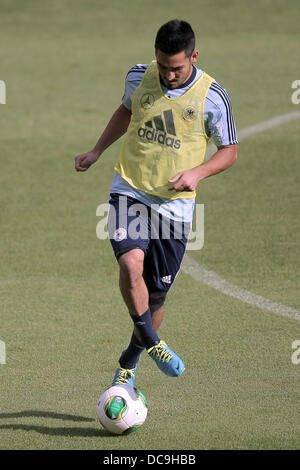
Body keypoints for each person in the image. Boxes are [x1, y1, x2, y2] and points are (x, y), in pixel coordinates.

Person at [75, 19, 238, 386]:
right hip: (130, 189)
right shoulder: (138, 76)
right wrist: (97, 151)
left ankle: (128, 364)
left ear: (194, 56)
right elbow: (126, 110)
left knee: (155, 297)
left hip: (174, 209)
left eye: (177, 67)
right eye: (163, 66)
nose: (169, 75)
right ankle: (152, 341)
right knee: (130, 264)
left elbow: (229, 151)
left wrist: (197, 174)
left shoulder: (212, 97)